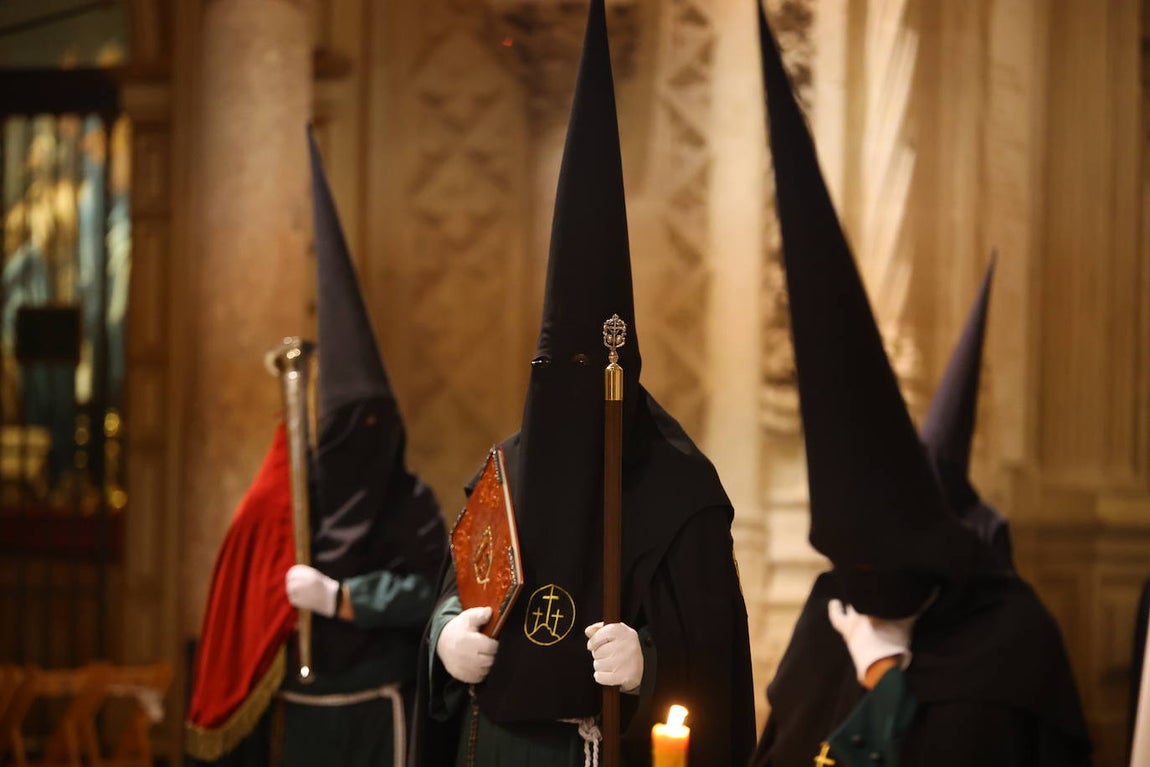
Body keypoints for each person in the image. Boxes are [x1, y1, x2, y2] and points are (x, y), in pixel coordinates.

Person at [408, 1, 755, 765]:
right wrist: (447, 638)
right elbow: (455, 592)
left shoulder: (682, 499)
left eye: (586, 371)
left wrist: (649, 668)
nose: (564, 390)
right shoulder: (502, 474)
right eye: (550, 369)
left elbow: (717, 670)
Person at [749, 7, 1092, 766]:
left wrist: (883, 679)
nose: (863, 587)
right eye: (850, 566)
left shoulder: (1014, 639)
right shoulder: (831, 612)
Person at [186, 131, 446, 767]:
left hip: (383, 706)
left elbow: (435, 593)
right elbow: (244, 591)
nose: (363, 441)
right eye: (348, 428)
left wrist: (342, 598)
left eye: (374, 425)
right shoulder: (296, 500)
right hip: (298, 712)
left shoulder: (411, 503)